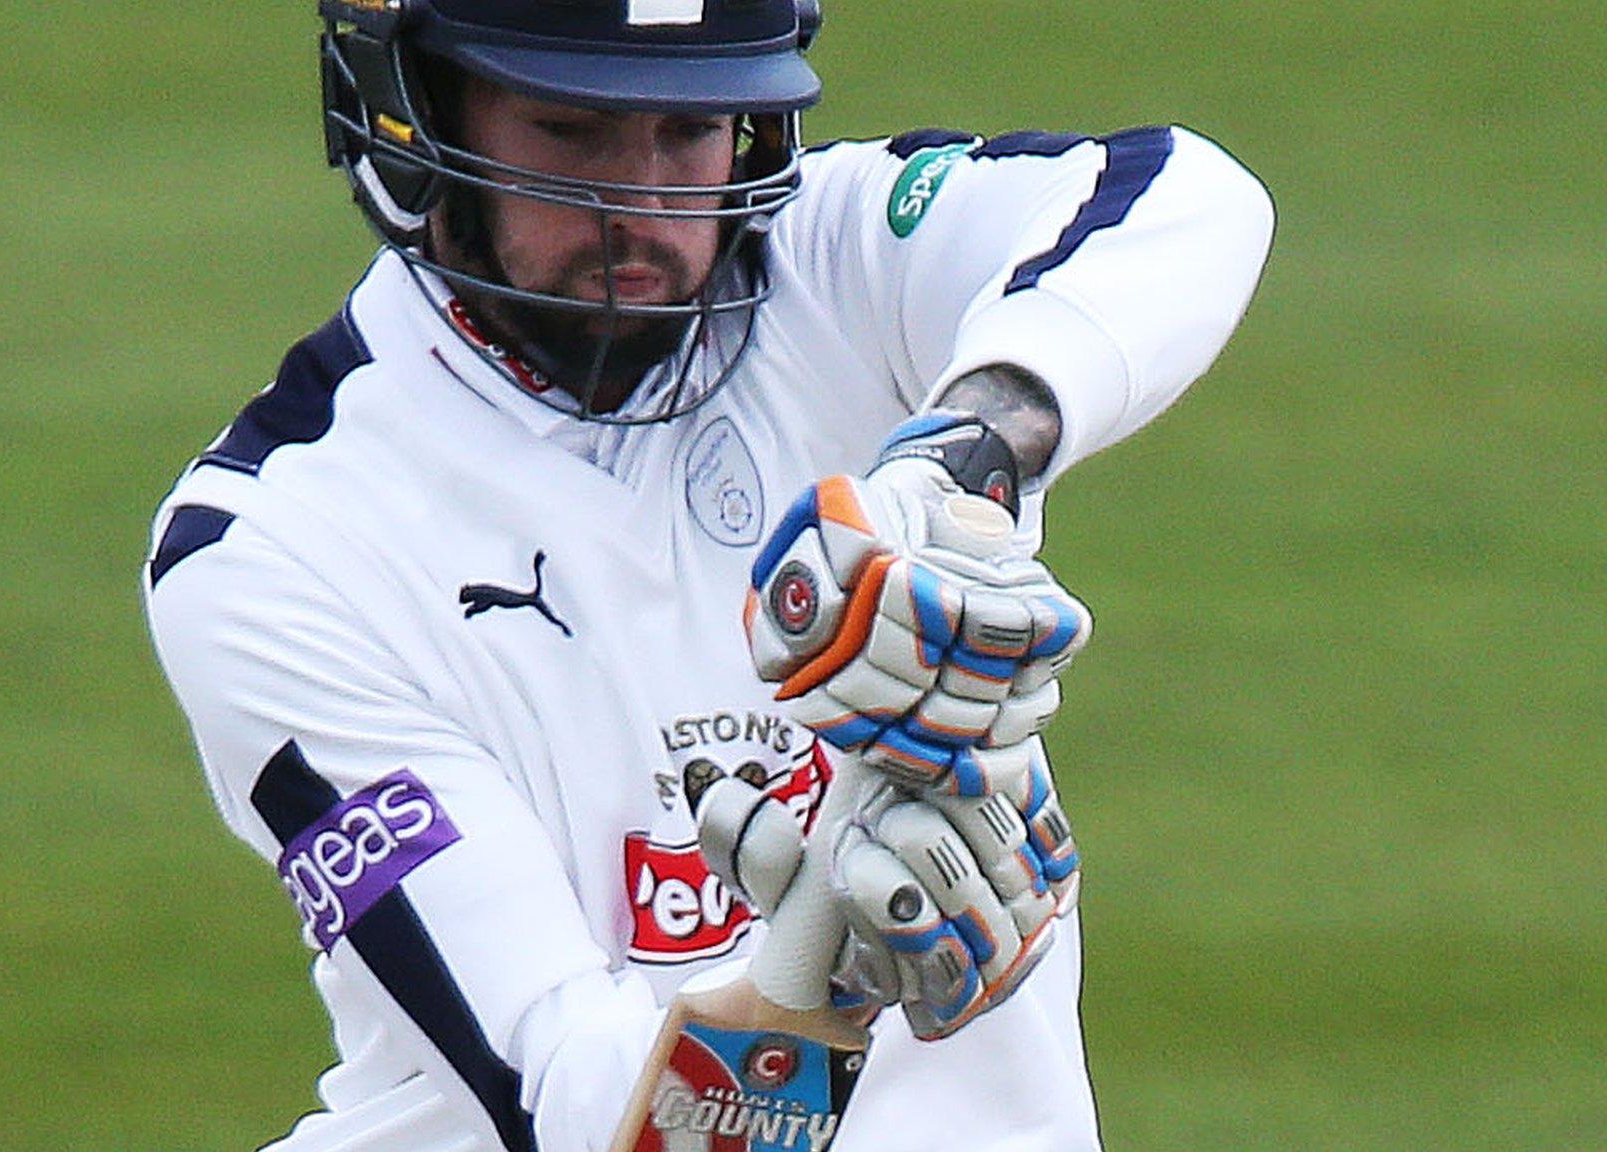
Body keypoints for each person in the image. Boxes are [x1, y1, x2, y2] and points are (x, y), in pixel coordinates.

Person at [142, 0, 1273, 1148]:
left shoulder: (829, 267)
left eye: (689, 129)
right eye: (570, 127)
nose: (641, 205)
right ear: (411, 107)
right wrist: (815, 966)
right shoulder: (274, 552)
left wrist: (969, 450)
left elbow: (1189, 197)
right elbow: (574, 1110)